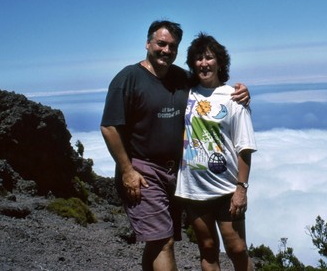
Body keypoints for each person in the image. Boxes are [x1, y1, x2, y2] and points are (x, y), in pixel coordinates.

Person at [100, 21, 250, 271]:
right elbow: (109, 127)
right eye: (161, 43)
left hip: (178, 175)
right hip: (143, 171)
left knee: (157, 241)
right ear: (148, 43)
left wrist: (242, 92)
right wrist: (127, 170)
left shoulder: (181, 78)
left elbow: (211, 87)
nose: (166, 50)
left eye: (172, 46)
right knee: (162, 240)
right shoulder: (128, 78)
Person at [176, 33, 257, 271]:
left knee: (237, 249)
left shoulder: (234, 98)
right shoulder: (185, 94)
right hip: (193, 188)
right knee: (208, 249)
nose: (204, 63)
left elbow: (245, 147)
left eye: (209, 58)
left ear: (220, 62)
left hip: (227, 189)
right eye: (198, 58)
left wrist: (241, 189)